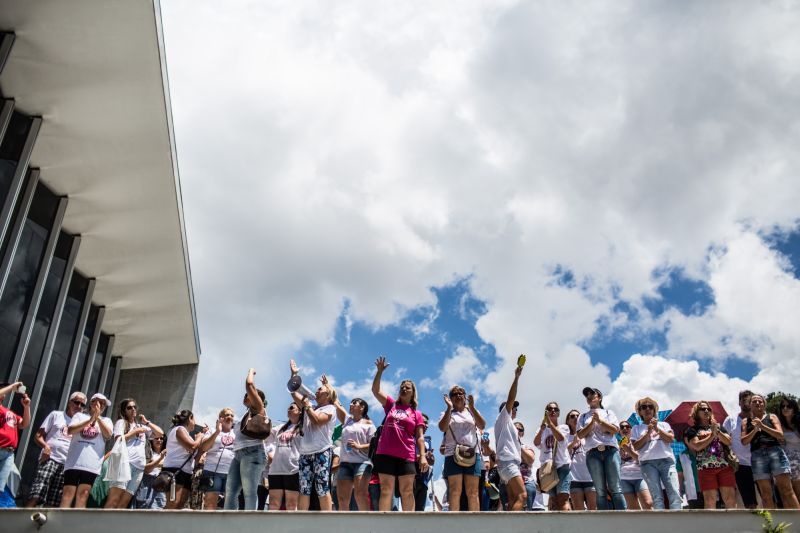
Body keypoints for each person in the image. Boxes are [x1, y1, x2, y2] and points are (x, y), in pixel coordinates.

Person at [371, 356, 429, 511]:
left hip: (406, 456)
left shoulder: (416, 413)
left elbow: (420, 437)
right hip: (385, 454)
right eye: (402, 386)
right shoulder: (391, 405)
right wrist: (379, 372)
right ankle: (385, 526)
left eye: (407, 387)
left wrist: (422, 456)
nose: (404, 389)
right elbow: (375, 391)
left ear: (413, 393)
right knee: (386, 491)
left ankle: (409, 526)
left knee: (407, 491)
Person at [290, 361, 337, 511]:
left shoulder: (330, 408)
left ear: (328, 395)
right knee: (304, 489)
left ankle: (327, 523)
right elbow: (293, 391)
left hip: (322, 451)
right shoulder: (311, 406)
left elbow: (317, 421)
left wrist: (307, 405)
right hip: (305, 453)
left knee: (322, 487)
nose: (316, 391)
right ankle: (301, 523)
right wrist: (294, 375)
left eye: (319, 389)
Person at [26, 391, 85, 508]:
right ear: (69, 402)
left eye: (82, 405)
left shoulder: (82, 424)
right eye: (76, 402)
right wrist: (46, 447)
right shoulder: (56, 415)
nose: (78, 406)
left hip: (67, 465)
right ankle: (21, 520)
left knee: (54, 502)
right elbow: (38, 436)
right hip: (50, 458)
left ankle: (45, 526)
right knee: (37, 493)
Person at [742, 394, 799, 509]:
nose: (757, 403)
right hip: (757, 456)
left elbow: (780, 435)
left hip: (775, 452)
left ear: (764, 404)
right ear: (750, 405)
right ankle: (772, 525)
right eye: (754, 401)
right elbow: (744, 441)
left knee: (786, 490)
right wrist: (755, 429)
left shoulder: (772, 417)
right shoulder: (745, 421)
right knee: (766, 494)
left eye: (760, 401)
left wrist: (762, 426)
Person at [105, 398, 164, 509]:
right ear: (124, 411)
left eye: (134, 407)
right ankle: (102, 526)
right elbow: (118, 440)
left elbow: (160, 433)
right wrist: (135, 432)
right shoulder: (121, 422)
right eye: (129, 407)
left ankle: (114, 526)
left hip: (139, 468)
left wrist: (147, 423)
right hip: (123, 463)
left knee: (123, 504)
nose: (133, 409)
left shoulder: (140, 426)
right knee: (113, 500)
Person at [225, 367, 270, 510]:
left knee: (249, 493)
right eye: (245, 395)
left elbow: (249, 384)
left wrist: (251, 371)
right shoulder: (245, 416)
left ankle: (250, 527)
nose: (246, 395)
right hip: (238, 454)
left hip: (253, 452)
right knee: (231, 492)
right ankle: (228, 524)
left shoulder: (259, 408)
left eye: (250, 394)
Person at [577, 387, 626, 510]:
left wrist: (599, 421)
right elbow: (580, 435)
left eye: (592, 393)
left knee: (616, 488)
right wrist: (592, 424)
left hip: (611, 451)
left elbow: (615, 430)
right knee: (600, 490)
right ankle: (604, 522)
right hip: (593, 454)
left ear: (599, 397)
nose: (589, 396)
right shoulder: (582, 417)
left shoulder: (609, 412)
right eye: (587, 395)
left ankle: (624, 520)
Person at [60, 393, 112, 508]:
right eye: (100, 402)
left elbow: (108, 435)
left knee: (83, 495)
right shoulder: (79, 416)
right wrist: (91, 419)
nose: (102, 406)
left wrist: (97, 417)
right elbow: (71, 430)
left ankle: (77, 524)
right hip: (74, 462)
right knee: (68, 493)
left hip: (91, 464)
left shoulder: (106, 420)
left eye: (104, 404)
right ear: (92, 403)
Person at [439, 385, 485, 511]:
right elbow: (442, 428)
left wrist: (473, 408)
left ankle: (474, 525)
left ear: (465, 396)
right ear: (450, 398)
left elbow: (482, 425)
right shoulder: (446, 413)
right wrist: (449, 408)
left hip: (472, 453)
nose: (458, 396)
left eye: (461, 393)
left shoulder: (472, 412)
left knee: (473, 492)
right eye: (454, 394)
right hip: (452, 454)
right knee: (454, 491)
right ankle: (455, 525)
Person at [685, 400, 737, 509]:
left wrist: (717, 431)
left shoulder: (719, 427)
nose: (706, 411)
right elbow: (697, 446)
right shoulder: (692, 430)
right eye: (702, 409)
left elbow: (728, 441)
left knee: (730, 499)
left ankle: (733, 525)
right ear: (696, 412)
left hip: (724, 467)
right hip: (705, 469)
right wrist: (712, 436)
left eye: (708, 409)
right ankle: (711, 525)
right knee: (710, 500)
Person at [631, 397, 681, 510]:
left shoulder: (664, 424)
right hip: (647, 464)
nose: (647, 409)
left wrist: (657, 428)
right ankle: (661, 524)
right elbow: (636, 446)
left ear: (654, 410)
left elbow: (670, 439)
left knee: (674, 493)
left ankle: (677, 522)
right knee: (656, 497)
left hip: (666, 461)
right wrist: (648, 432)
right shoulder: (636, 428)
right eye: (643, 407)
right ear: (640, 412)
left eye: (650, 406)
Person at [333, 394, 375, 511]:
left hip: (362, 463)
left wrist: (359, 446)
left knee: (360, 495)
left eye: (354, 402)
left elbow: (374, 445)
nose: (350, 404)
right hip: (345, 463)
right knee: (342, 499)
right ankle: (344, 527)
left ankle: (366, 527)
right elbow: (336, 402)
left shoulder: (369, 424)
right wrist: (327, 385)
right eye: (350, 402)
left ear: (362, 407)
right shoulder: (347, 420)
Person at [493, 364, 525, 511]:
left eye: (515, 408)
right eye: (512, 407)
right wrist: (517, 377)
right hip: (507, 462)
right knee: (522, 496)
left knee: (513, 500)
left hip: (509, 463)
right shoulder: (503, 419)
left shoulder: (511, 426)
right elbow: (511, 397)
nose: (514, 409)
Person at [163, 409, 207, 510]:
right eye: (194, 419)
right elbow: (192, 447)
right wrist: (199, 437)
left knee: (180, 505)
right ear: (190, 418)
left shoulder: (187, 435)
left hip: (186, 473)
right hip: (175, 471)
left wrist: (204, 435)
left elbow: (195, 453)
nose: (195, 423)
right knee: (173, 504)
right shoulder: (179, 429)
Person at [723, 390, 759, 509]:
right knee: (748, 502)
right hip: (740, 465)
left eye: (749, 400)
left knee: (765, 497)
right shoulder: (730, 420)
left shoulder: (761, 419)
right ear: (739, 402)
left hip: (760, 462)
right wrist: (729, 460)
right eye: (743, 400)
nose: (746, 403)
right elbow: (723, 442)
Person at [533, 401, 570, 511]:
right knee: (553, 500)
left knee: (563, 498)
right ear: (546, 413)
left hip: (562, 465)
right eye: (549, 409)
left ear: (558, 413)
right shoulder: (541, 429)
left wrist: (550, 424)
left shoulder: (564, 427)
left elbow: (560, 439)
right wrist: (542, 429)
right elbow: (536, 443)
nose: (552, 411)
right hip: (548, 468)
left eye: (555, 409)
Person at [197, 408, 236, 510]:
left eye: (232, 416)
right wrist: (217, 432)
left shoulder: (236, 433)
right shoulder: (212, 431)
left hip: (231, 472)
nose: (230, 417)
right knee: (210, 503)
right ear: (220, 418)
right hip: (212, 471)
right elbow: (203, 448)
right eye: (227, 415)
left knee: (230, 504)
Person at [268, 403, 303, 511]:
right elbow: (265, 437)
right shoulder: (280, 428)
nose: (288, 409)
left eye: (292, 407)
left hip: (293, 469)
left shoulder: (305, 427)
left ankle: (290, 528)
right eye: (288, 407)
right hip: (275, 470)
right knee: (273, 504)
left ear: (300, 411)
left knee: (291, 505)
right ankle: (272, 528)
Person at [0, 382, 31, 500]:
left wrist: (27, 407)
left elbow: (25, 424)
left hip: (9, 453)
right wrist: (11, 387)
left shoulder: (10, 412)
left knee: (0, 487)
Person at [566, 409, 596, 511]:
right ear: (568, 421)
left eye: (578, 416)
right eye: (572, 416)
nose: (575, 418)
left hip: (590, 476)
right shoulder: (565, 437)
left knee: (593, 509)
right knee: (579, 510)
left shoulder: (588, 435)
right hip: (574, 478)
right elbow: (562, 453)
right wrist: (573, 442)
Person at [618, 421, 652, 510]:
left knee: (648, 503)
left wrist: (629, 450)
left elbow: (640, 459)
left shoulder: (637, 443)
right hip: (624, 478)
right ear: (619, 431)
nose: (625, 428)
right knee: (633, 509)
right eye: (622, 427)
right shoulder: (616, 446)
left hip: (639, 476)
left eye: (627, 426)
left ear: (631, 429)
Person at [777, 396, 800, 500]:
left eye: (789, 406)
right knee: (786, 493)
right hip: (783, 461)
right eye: (783, 406)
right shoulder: (777, 425)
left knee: (798, 492)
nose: (785, 408)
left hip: (797, 461)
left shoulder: (798, 424)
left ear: (794, 409)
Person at [135, 434, 166, 509]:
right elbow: (146, 469)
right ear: (152, 440)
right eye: (156, 438)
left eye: (161, 438)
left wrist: (154, 463)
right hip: (147, 483)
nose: (159, 440)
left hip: (162, 485)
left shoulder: (168, 454)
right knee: (144, 508)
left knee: (160, 508)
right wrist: (160, 459)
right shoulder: (148, 453)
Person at [414, 414, 435, 511]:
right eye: (423, 422)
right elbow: (406, 457)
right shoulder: (408, 438)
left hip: (424, 481)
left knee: (420, 511)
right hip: (410, 479)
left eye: (427, 423)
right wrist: (422, 456)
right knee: (409, 511)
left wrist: (430, 458)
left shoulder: (427, 441)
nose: (426, 425)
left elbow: (431, 462)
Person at [517, 422, 537, 510]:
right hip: (508, 483)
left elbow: (530, 460)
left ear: (522, 433)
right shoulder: (505, 447)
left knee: (527, 513)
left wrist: (518, 446)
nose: (517, 431)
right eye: (514, 429)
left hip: (526, 482)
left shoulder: (527, 447)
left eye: (520, 429)